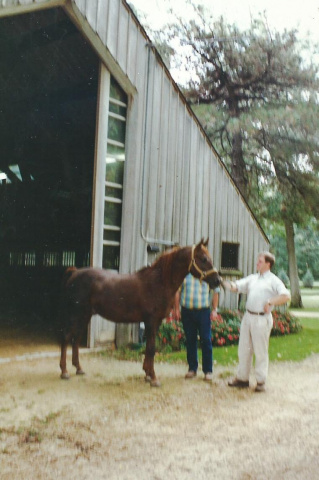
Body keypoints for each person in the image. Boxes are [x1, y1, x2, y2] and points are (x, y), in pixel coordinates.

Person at [222, 251, 290, 392]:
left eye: (260, 261)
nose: (257, 263)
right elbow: (236, 287)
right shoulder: (253, 278)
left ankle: (260, 382)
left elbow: (285, 296)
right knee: (244, 349)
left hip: (262, 319)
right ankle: (242, 379)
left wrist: (271, 301)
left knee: (260, 351)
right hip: (248, 317)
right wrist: (221, 281)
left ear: (268, 264)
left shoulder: (274, 280)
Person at [174, 272, 220, 382]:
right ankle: (192, 368)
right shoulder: (184, 274)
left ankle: (208, 371)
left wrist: (214, 310)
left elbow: (216, 291)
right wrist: (176, 309)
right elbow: (177, 291)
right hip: (187, 311)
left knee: (206, 339)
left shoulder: (208, 274)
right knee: (190, 339)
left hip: (203, 311)